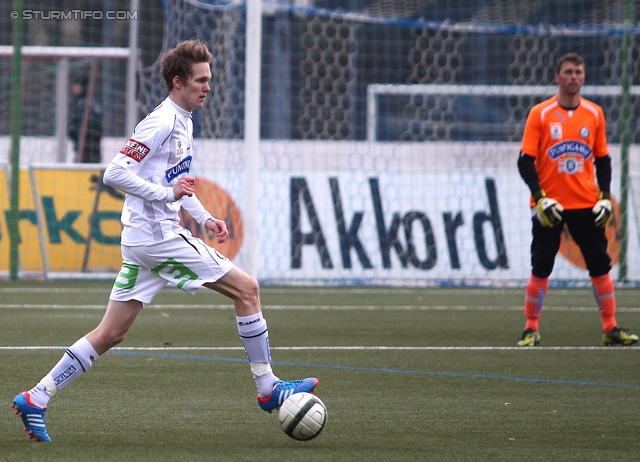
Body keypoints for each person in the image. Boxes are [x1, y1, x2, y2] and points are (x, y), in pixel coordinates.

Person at [12, 39, 318, 443]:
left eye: (209, 79)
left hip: (144, 241)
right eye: (200, 80)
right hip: (158, 240)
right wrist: (166, 196)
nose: (207, 87)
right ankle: (267, 388)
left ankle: (37, 396)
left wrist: (206, 217)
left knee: (111, 333)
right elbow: (114, 173)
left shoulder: (185, 120)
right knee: (248, 289)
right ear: (178, 82)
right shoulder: (160, 122)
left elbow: (176, 182)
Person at [516, 52, 638, 348]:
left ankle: (610, 328)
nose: (574, 77)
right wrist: (540, 198)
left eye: (579, 72)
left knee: (600, 264)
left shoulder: (594, 113)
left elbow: (603, 160)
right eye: (568, 72)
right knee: (541, 265)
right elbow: (524, 161)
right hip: (549, 206)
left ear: (584, 77)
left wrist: (606, 198)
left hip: (586, 203)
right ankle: (531, 328)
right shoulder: (540, 114)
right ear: (557, 78)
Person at [68, 75, 103, 163]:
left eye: (76, 85)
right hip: (94, 153)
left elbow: (79, 130)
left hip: (85, 154)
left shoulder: (84, 106)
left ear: (82, 87)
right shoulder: (93, 104)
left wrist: (72, 132)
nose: (73, 88)